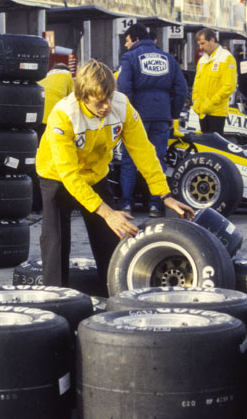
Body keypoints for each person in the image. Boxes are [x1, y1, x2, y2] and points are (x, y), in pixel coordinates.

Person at [35, 60, 194, 288]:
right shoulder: (63, 115)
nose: (107, 106)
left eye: (109, 97)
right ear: (82, 96)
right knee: (55, 243)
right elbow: (69, 174)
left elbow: (144, 151)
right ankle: (55, 297)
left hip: (96, 173)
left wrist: (164, 194)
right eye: (100, 102)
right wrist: (107, 212)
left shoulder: (122, 106)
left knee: (110, 239)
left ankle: (112, 293)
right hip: (57, 177)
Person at [116, 23, 187, 217]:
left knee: (130, 159)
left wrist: (126, 113)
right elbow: (181, 89)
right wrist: (173, 113)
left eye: (127, 41)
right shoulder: (168, 58)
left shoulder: (129, 57)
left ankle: (126, 204)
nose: (125, 45)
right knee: (158, 159)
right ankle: (156, 204)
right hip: (162, 116)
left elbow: (123, 87)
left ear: (136, 39)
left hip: (137, 115)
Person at [32, 63, 74, 212]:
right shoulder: (68, 78)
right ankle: (59, 202)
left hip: (35, 123)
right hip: (54, 124)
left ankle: (35, 203)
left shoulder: (43, 78)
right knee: (56, 163)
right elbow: (75, 104)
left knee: (36, 162)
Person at [191, 28, 237, 135]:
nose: (200, 47)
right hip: (202, 111)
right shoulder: (203, 60)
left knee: (215, 147)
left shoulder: (226, 58)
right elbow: (197, 83)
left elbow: (229, 86)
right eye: (199, 44)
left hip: (217, 112)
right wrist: (196, 102)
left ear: (212, 40)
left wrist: (210, 104)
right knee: (205, 145)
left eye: (203, 43)